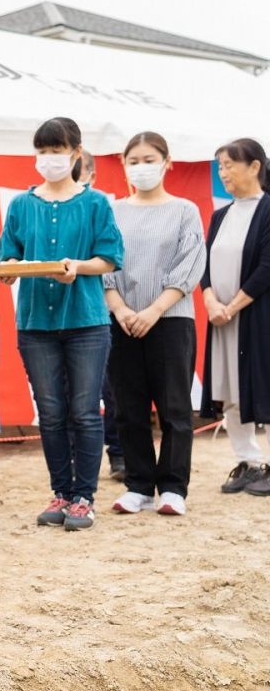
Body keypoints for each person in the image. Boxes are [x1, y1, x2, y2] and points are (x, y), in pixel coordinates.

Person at [0, 117, 124, 531]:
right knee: (50, 412)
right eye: (43, 151)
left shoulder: (96, 203)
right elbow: (8, 260)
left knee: (85, 411)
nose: (49, 159)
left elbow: (109, 258)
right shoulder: (21, 204)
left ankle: (84, 497)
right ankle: (61, 492)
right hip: (35, 322)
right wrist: (11, 269)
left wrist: (77, 267)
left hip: (87, 319)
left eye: (56, 150)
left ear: (76, 152)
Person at [103, 132, 206, 515]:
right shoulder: (112, 211)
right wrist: (120, 308)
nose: (141, 167)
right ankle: (139, 484)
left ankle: (174, 487)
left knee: (174, 406)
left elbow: (190, 264)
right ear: (124, 165)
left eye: (149, 159)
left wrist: (153, 310)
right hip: (122, 319)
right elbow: (103, 264)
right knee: (127, 407)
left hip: (171, 319)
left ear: (167, 162)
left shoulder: (184, 210)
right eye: (134, 160)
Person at [201, 138, 270, 495]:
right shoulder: (220, 215)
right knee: (229, 387)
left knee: (264, 385)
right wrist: (212, 301)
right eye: (220, 167)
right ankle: (250, 462)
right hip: (223, 321)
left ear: (255, 166)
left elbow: (266, 268)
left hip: (256, 319)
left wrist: (232, 306)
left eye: (229, 165)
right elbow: (205, 265)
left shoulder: (268, 209)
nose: (223, 173)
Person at [80, 149, 125, 481]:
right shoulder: (41, 207)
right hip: (65, 314)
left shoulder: (104, 208)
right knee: (73, 394)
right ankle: (73, 458)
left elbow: (115, 261)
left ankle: (119, 453)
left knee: (113, 389)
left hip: (104, 310)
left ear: (93, 176)